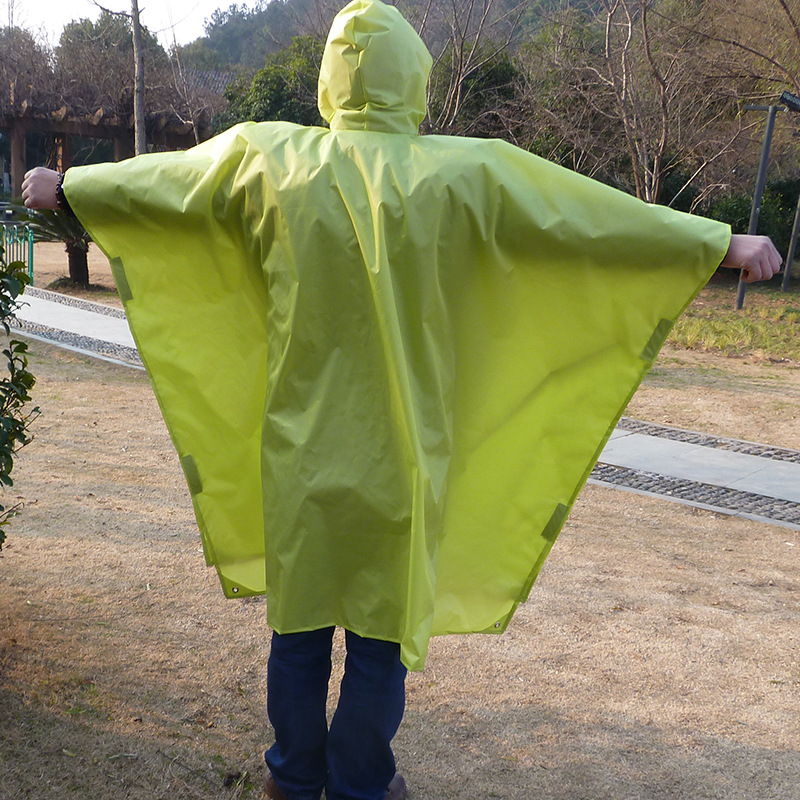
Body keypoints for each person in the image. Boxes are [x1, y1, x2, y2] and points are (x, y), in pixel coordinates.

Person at [22, 1, 781, 798]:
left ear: (329, 81)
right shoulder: (467, 171)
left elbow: (163, 183)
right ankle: (359, 785)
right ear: (414, 80)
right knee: (379, 644)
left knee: (301, 633)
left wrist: (66, 184)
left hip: (301, 454)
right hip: (405, 460)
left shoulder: (267, 159)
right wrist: (716, 241)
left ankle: (291, 776)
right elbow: (585, 218)